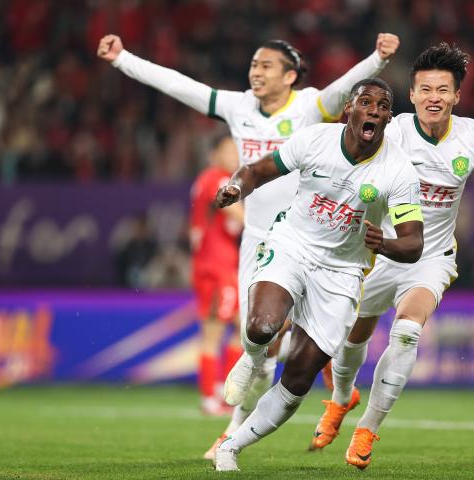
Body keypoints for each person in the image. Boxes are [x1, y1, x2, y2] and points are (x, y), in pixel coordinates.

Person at [97, 32, 399, 455]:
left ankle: (235, 430)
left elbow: (348, 89)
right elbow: (180, 85)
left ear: (289, 76)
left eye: (266, 66)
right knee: (257, 337)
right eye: (254, 64)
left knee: (275, 342)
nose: (256, 72)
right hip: (258, 238)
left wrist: (378, 59)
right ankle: (302, 382)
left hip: (307, 236)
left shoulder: (310, 106)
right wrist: (122, 59)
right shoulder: (238, 107)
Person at [308, 42, 474, 470]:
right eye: (425, 89)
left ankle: (367, 429)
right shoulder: (394, 131)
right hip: (378, 251)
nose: (433, 97)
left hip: (430, 257)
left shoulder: (472, 137)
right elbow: (343, 155)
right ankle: (341, 398)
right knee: (351, 337)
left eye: (443, 89)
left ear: (457, 95)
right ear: (412, 94)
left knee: (406, 333)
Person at [212, 78, 424, 472]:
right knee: (262, 325)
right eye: (366, 101)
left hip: (343, 272)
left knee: (298, 377)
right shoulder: (315, 140)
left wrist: (385, 243)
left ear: (388, 118)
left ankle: (231, 447)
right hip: (293, 244)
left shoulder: (398, 171)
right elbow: (258, 169)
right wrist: (236, 188)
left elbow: (413, 244)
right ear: (349, 110)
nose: (374, 110)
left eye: (382, 106)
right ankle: (253, 357)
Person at [189, 135, 244, 415]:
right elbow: (239, 216)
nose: (235, 156)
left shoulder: (205, 179)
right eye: (229, 150)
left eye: (237, 151)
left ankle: (224, 388)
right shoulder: (218, 178)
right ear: (215, 154)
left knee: (242, 326)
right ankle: (209, 396)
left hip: (218, 263)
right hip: (216, 265)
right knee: (213, 332)